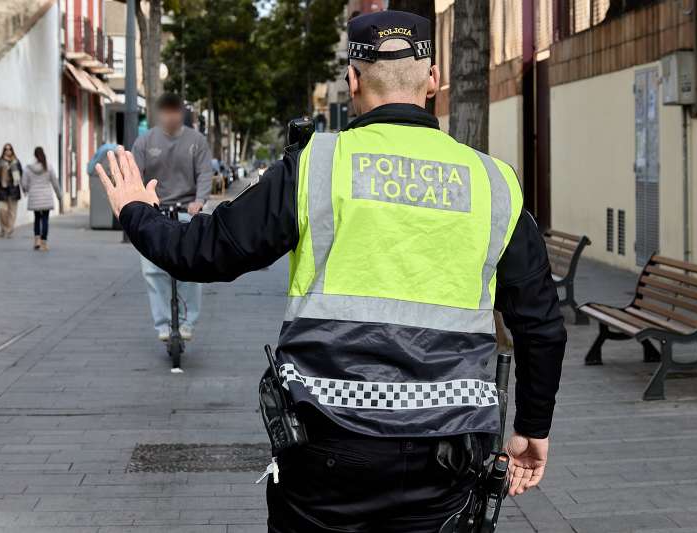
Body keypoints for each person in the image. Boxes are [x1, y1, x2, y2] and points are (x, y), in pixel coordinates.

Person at [96, 10, 566, 532]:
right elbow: (541, 324)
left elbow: (205, 252)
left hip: (327, 446)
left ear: (353, 80)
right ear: (433, 79)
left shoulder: (316, 167)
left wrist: (136, 211)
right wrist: (533, 427)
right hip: (448, 451)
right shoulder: (494, 183)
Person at [131, 93, 213, 342]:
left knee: (192, 269)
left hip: (187, 210)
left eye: (175, 111)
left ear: (182, 113)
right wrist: (141, 202)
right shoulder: (145, 142)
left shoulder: (196, 141)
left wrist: (199, 200)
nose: (171, 116)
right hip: (155, 211)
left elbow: (205, 173)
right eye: (166, 111)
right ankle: (163, 324)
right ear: (159, 114)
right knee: (152, 270)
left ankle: (188, 322)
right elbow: (135, 175)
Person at [22, 147, 62, 251]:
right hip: (46, 197)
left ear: (34, 155)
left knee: (36, 218)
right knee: (45, 219)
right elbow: (55, 182)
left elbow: (24, 183)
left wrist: (26, 190)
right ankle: (44, 242)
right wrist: (59, 195)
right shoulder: (48, 167)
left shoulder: (29, 168)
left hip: (34, 197)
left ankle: (37, 240)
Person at [0, 143, 23, 238]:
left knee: (12, 212)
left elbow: (21, 175)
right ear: (3, 150)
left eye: (10, 149)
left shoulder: (16, 162)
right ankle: (5, 228)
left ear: (12, 150)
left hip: (14, 189)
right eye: (6, 149)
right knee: (1, 210)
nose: (8, 151)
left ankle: (8, 229)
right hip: (2, 190)